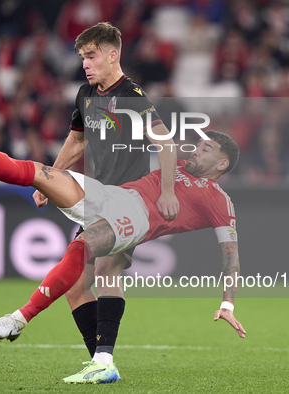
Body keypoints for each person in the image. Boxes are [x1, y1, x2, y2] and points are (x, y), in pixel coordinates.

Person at [0, 102, 246, 383]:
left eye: (206, 150)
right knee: (40, 175)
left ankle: (19, 319)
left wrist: (227, 302)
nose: (196, 150)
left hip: (137, 219)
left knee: (82, 249)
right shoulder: (175, 165)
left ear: (221, 165)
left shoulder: (219, 200)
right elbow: (150, 144)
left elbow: (230, 255)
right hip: (114, 195)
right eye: (199, 144)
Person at [30, 21, 180, 381]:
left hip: (129, 199)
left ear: (113, 55)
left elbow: (166, 143)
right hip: (96, 201)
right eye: (82, 57)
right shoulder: (86, 94)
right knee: (75, 286)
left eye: (92, 56)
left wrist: (168, 191)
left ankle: (104, 361)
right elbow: (77, 142)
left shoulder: (133, 96)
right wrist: (48, 178)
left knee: (106, 269)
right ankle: (101, 361)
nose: (85, 63)